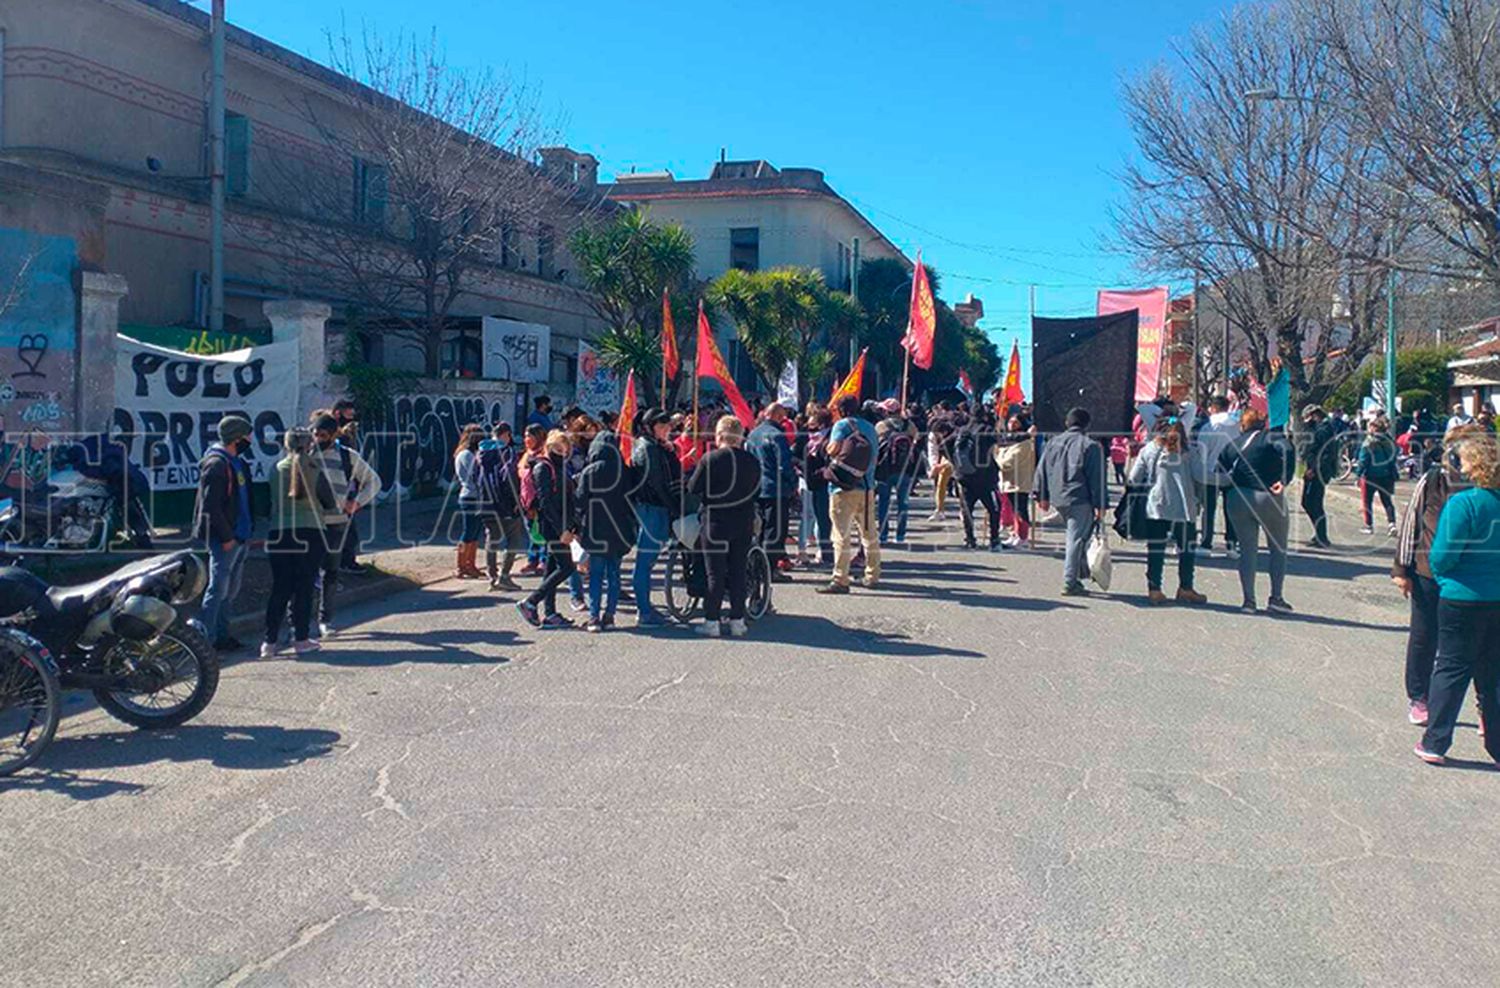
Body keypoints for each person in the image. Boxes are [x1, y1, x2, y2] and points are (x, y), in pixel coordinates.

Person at [1414, 427, 1500, 766]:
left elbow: (1442, 555)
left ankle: (1435, 741)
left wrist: (1446, 577)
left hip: (1462, 597)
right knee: (1492, 675)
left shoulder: (1463, 503)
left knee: (1450, 668)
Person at [1393, 427, 1471, 727]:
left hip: (1471, 576)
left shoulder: (1487, 484)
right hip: (1428, 571)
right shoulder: (1433, 480)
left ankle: (1485, 705)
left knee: (1475, 642)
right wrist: (1402, 569)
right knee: (1425, 636)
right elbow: (1411, 522)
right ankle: (1419, 696)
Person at [263, 428, 338, 658]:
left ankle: (269, 642)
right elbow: (329, 502)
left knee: (280, 587)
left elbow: (268, 502)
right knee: (304, 588)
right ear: (309, 446)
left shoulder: (275, 470)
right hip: (310, 531)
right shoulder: (315, 469)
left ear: (286, 445)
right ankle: (301, 637)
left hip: (279, 532)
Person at [687, 415, 761, 637]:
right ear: (740, 436)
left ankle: (712, 621)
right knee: (738, 571)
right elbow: (757, 491)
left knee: (715, 574)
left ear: (719, 435)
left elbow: (693, 487)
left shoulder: (710, 459)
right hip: (743, 521)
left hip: (716, 521)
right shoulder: (752, 461)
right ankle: (738, 619)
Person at [308, 411, 381, 636]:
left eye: (322, 434)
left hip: (336, 523)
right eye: (314, 433)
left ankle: (325, 619)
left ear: (332, 435)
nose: (317, 438)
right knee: (305, 573)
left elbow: (374, 481)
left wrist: (356, 503)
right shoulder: (305, 455)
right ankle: (299, 624)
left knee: (330, 572)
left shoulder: (347, 456)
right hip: (308, 524)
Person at [1218, 408, 1296, 614]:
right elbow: (1287, 450)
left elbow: (1219, 468)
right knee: (1278, 549)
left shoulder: (1233, 444)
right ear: (1262, 424)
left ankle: (1248, 601)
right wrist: (1284, 479)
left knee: (1247, 550)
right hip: (1268, 495)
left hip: (1237, 498)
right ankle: (1276, 597)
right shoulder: (1270, 437)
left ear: (1242, 425)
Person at [1130, 416, 1206, 605]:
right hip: (1184, 508)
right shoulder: (1190, 453)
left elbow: (1133, 478)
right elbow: (1200, 476)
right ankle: (1185, 588)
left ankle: (1154, 589)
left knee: (1156, 549)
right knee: (1187, 550)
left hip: (1156, 506)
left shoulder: (1148, 451)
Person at [195, 414, 255, 651]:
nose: (250, 439)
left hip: (240, 535)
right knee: (217, 588)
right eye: (247, 435)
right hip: (226, 539)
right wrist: (227, 536)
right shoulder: (216, 464)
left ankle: (222, 635)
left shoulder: (235, 462)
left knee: (230, 589)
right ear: (236, 438)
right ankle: (204, 643)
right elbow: (211, 507)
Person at [1035, 407, 1106, 596]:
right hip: (1079, 498)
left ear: (1067, 423)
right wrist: (1101, 504)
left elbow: (1041, 469)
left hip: (1058, 496)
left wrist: (1041, 495)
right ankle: (1070, 581)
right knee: (1075, 539)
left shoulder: (1053, 443)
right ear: (1087, 425)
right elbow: (1096, 479)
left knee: (1077, 537)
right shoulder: (1090, 446)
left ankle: (1078, 574)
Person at [817, 394, 882, 594]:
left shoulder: (842, 426)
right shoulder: (871, 428)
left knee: (841, 535)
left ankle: (840, 579)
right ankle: (872, 575)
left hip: (842, 488)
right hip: (867, 486)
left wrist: (826, 448)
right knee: (869, 533)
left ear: (841, 410)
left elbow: (833, 449)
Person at [576, 425, 637, 633]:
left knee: (596, 575)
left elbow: (580, 501)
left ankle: (593, 617)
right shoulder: (625, 471)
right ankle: (610, 615)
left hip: (594, 529)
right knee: (614, 574)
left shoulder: (589, 471)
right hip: (619, 529)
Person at [515, 430, 578, 630]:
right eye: (557, 447)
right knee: (567, 567)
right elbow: (545, 502)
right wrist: (561, 530)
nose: (561, 451)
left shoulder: (559, 467)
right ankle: (531, 602)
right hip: (551, 526)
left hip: (559, 525)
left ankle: (550, 613)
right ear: (549, 446)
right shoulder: (544, 467)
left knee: (551, 568)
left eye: (564, 448)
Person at [630, 408, 680, 626]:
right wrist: (674, 506)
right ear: (650, 427)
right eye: (661, 426)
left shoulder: (653, 446)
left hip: (654, 508)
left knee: (647, 562)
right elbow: (658, 483)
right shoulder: (647, 448)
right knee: (645, 562)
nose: (666, 429)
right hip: (652, 508)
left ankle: (646, 608)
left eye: (668, 426)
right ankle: (644, 610)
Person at [748, 403, 796, 580]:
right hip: (776, 488)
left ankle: (757, 566)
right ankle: (770, 569)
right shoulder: (777, 435)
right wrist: (792, 483)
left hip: (757, 487)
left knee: (760, 530)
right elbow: (784, 464)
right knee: (775, 532)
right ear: (777, 416)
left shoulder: (753, 434)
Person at [478, 422, 526, 591]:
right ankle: (504, 576)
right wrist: (515, 502)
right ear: (506, 434)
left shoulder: (480, 453)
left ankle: (492, 576)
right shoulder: (507, 452)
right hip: (505, 503)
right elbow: (509, 478)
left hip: (485, 502)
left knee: (492, 539)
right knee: (514, 539)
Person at [1196, 396, 1240, 557]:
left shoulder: (1210, 425)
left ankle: (1207, 543)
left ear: (1213, 408)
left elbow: (1202, 449)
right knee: (1231, 509)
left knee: (1209, 509)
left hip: (1211, 470)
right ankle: (1232, 545)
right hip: (1232, 470)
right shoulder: (1236, 425)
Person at [874, 399, 921, 546]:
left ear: (886, 411)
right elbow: (917, 439)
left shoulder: (881, 426)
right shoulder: (909, 425)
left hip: (885, 469)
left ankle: (883, 534)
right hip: (905, 469)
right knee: (903, 503)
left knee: (884, 503)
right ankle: (900, 535)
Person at [954, 409, 1003, 551]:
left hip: (965, 477)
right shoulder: (986, 429)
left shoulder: (963, 430)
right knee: (994, 509)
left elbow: (947, 445)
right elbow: (1002, 440)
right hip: (985, 478)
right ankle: (994, 539)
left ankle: (970, 539)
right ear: (984, 416)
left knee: (967, 510)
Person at [331, 399, 369, 573]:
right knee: (345, 529)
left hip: (348, 487)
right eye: (349, 415)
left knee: (347, 528)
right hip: (338, 488)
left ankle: (344, 560)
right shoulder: (336, 437)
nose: (352, 420)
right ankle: (345, 561)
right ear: (338, 413)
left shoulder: (347, 436)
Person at [1298, 404, 1339, 548]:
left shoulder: (1323, 430)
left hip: (1318, 471)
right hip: (1315, 469)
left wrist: (1314, 469)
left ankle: (1322, 536)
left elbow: (1324, 453)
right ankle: (1319, 534)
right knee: (1308, 502)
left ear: (1314, 415)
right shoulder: (1319, 428)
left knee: (1313, 502)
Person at [451, 423, 487, 580]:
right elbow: (475, 474)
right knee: (468, 532)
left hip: (476, 497)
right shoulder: (466, 455)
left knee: (474, 533)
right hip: (469, 496)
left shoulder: (471, 453)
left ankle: (471, 564)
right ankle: (461, 566)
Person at [997, 415, 1037, 549]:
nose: (1012, 424)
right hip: (1008, 480)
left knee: (1020, 509)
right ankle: (1015, 533)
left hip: (1019, 480)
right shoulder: (1007, 439)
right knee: (1014, 509)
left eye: (1016, 422)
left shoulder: (1025, 441)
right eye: (1011, 422)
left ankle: (1022, 536)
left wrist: (997, 460)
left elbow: (1009, 461)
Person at [802, 406, 834, 566]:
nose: (809, 426)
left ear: (821, 424)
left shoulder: (824, 440)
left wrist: (818, 473)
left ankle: (827, 555)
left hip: (822, 484)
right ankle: (826, 552)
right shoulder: (820, 438)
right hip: (821, 483)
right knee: (823, 520)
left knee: (823, 520)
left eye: (813, 423)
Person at [1356, 418, 1399, 536]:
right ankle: (1392, 524)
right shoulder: (1390, 441)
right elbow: (1396, 453)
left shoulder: (1369, 442)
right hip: (1386, 475)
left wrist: (1358, 475)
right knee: (1387, 501)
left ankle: (1369, 525)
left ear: (1374, 428)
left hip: (1370, 476)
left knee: (1367, 501)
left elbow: (1363, 460)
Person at [926, 418, 955, 522]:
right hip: (943, 457)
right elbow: (932, 451)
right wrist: (934, 466)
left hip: (956, 457)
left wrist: (942, 466)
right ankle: (939, 510)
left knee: (961, 486)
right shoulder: (932, 435)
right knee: (940, 483)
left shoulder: (955, 434)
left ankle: (963, 510)